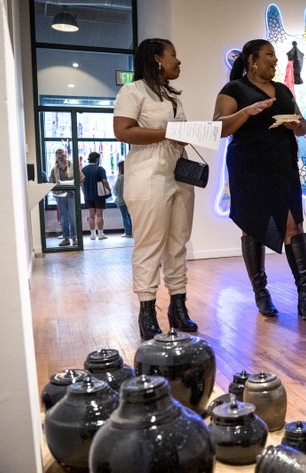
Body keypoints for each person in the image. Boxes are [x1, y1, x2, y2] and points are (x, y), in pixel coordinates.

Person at [213, 39, 306, 321]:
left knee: (293, 226)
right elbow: (219, 128)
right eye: (269, 54)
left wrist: (297, 124)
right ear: (252, 60)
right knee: (251, 226)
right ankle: (261, 293)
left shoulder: (283, 90)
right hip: (248, 167)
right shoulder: (234, 89)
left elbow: (303, 126)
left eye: (275, 56)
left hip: (283, 165)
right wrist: (247, 111)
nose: (275, 60)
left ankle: (305, 297)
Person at [113, 37, 198, 339]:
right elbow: (122, 131)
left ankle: (178, 305)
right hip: (148, 172)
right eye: (174, 55)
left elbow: (180, 133)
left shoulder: (171, 95)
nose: (178, 61)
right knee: (149, 245)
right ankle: (147, 311)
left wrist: (187, 133)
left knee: (178, 242)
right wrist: (169, 132)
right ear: (157, 59)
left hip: (179, 172)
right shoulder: (132, 91)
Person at [50, 149, 77, 246]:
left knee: (72, 216)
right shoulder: (54, 169)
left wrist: (75, 186)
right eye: (59, 158)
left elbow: (81, 178)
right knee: (63, 217)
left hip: (71, 194)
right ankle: (66, 238)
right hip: (60, 196)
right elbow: (52, 182)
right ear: (56, 158)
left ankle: (74, 238)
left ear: (66, 156)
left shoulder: (72, 166)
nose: (61, 159)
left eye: (62, 157)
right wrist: (55, 191)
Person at [81, 152, 110, 241]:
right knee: (100, 215)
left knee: (91, 215)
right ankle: (100, 234)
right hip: (99, 195)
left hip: (88, 195)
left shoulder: (84, 169)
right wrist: (108, 189)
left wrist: (84, 193)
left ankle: (92, 234)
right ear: (97, 159)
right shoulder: (100, 169)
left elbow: (82, 183)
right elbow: (104, 181)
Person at [113, 161, 133, 238]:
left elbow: (116, 189)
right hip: (130, 199)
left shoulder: (121, 177)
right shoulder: (131, 176)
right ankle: (132, 230)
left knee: (124, 216)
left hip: (122, 200)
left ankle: (128, 232)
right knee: (130, 216)